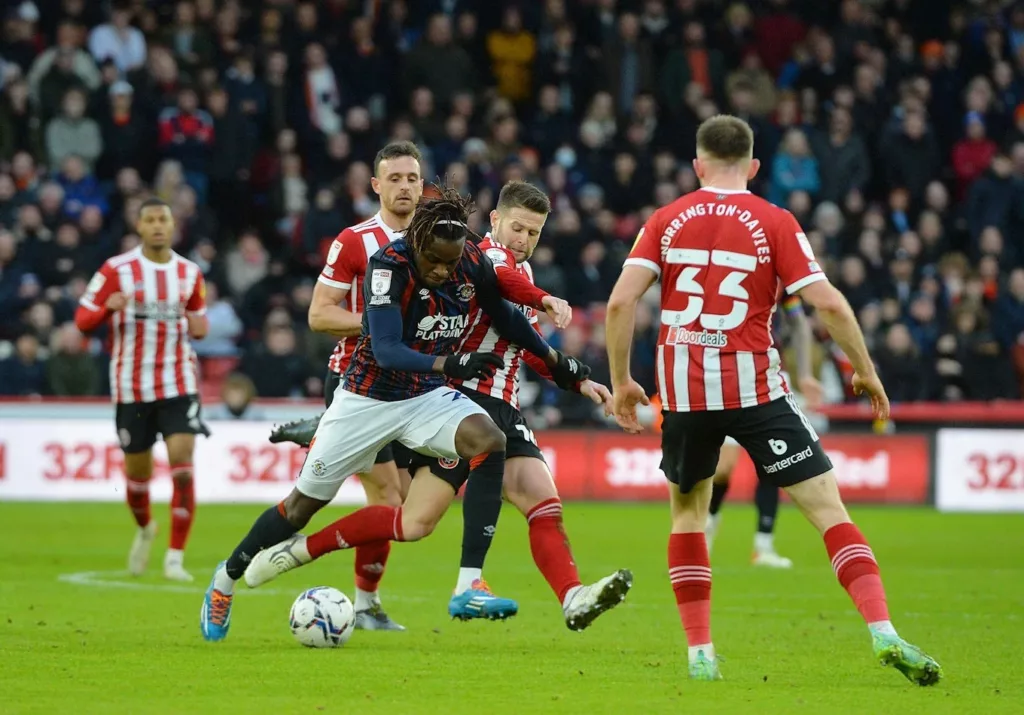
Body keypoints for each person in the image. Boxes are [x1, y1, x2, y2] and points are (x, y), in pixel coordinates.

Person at [604, 115, 941, 684]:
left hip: (686, 398)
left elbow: (618, 304)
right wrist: (866, 371)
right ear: (755, 166)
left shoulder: (665, 218)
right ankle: (883, 630)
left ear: (696, 165)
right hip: (757, 392)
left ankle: (700, 655)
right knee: (829, 512)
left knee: (687, 516)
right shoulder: (775, 220)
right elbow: (828, 305)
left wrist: (622, 383)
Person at [200, 186, 588, 642]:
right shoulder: (388, 265)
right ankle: (225, 580)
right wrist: (451, 363)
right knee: (300, 508)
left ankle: (468, 583)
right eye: (435, 263)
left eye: (451, 262)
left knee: (488, 440)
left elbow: (505, 316)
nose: (443, 272)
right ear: (417, 246)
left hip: (423, 397)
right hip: (367, 401)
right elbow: (385, 351)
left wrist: (561, 366)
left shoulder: (467, 260)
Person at [439, 180, 631, 628]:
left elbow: (529, 348)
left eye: (535, 233)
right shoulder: (480, 257)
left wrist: (580, 382)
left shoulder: (522, 275)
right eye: (518, 228)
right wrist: (544, 299)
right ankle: (290, 551)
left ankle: (572, 597)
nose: (524, 240)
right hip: (459, 401)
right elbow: (499, 278)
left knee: (545, 502)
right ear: (495, 221)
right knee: (412, 517)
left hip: (505, 407)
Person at [75, 197, 209, 582]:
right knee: (137, 476)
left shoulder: (189, 273)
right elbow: (83, 320)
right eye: (149, 220)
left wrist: (197, 323)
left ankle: (174, 558)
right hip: (131, 387)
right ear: (138, 227)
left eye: (163, 219)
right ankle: (146, 527)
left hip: (178, 382)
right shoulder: (116, 270)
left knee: (183, 468)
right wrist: (107, 309)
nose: (157, 226)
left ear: (173, 226)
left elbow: (199, 323)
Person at [705, 293, 824, 568]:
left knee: (774, 464)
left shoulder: (779, 282)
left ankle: (763, 545)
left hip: (768, 379)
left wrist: (804, 373)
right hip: (728, 377)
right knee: (723, 467)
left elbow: (799, 323)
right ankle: (707, 524)